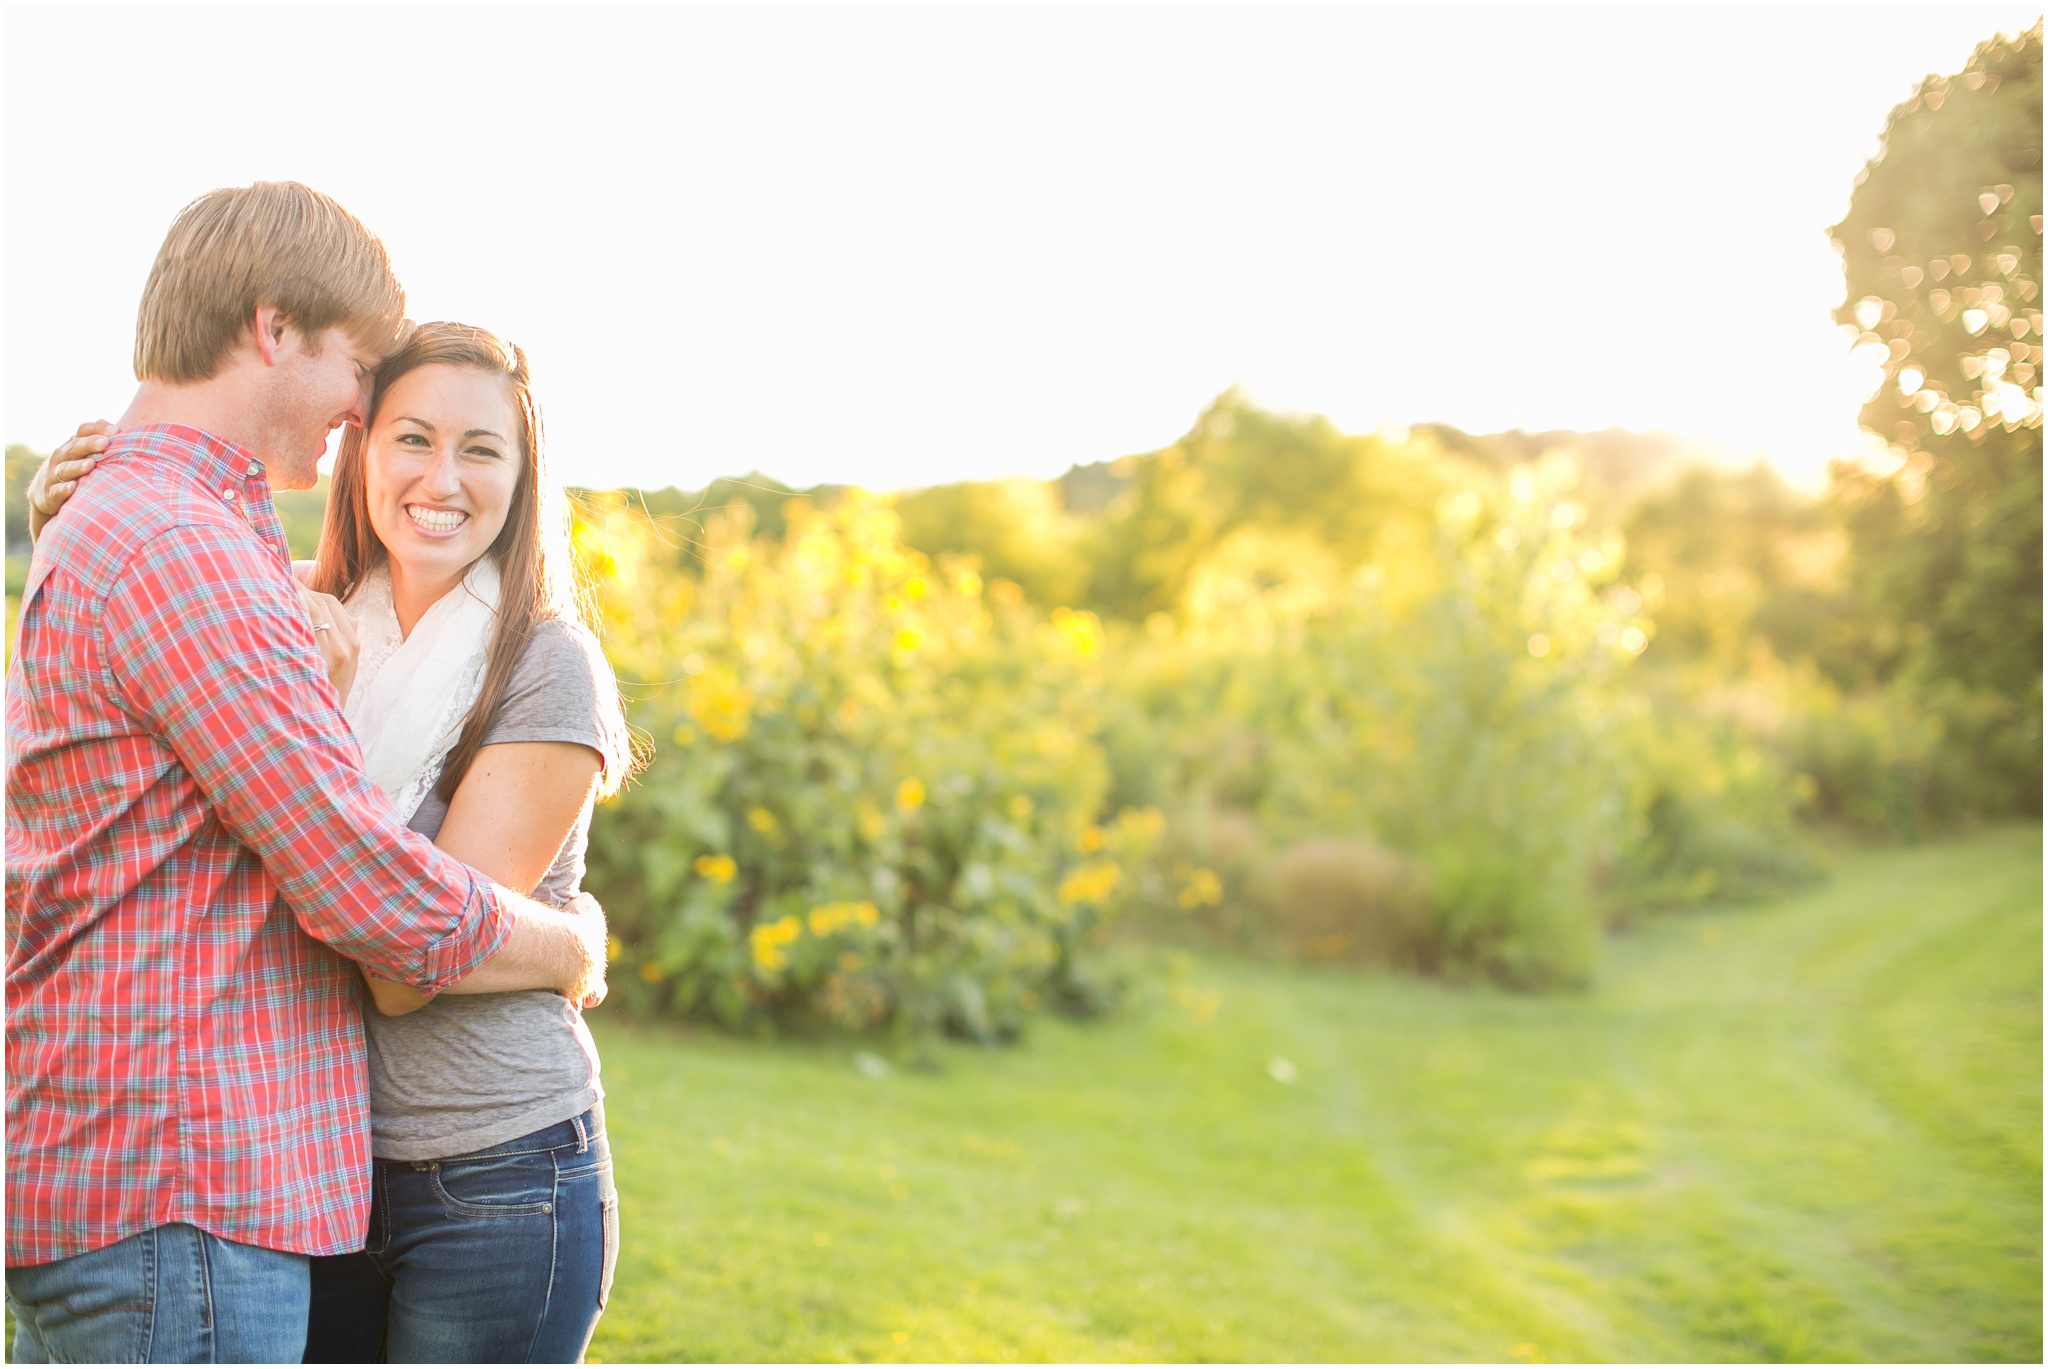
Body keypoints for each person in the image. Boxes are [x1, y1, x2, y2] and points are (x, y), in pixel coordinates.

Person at [4, 183, 610, 1364]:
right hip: (180, 1183)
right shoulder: (212, 559)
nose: (356, 408)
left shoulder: (202, 547)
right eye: (370, 387)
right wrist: (569, 943)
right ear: (275, 330)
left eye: (479, 446)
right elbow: (368, 901)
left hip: (407, 1165)